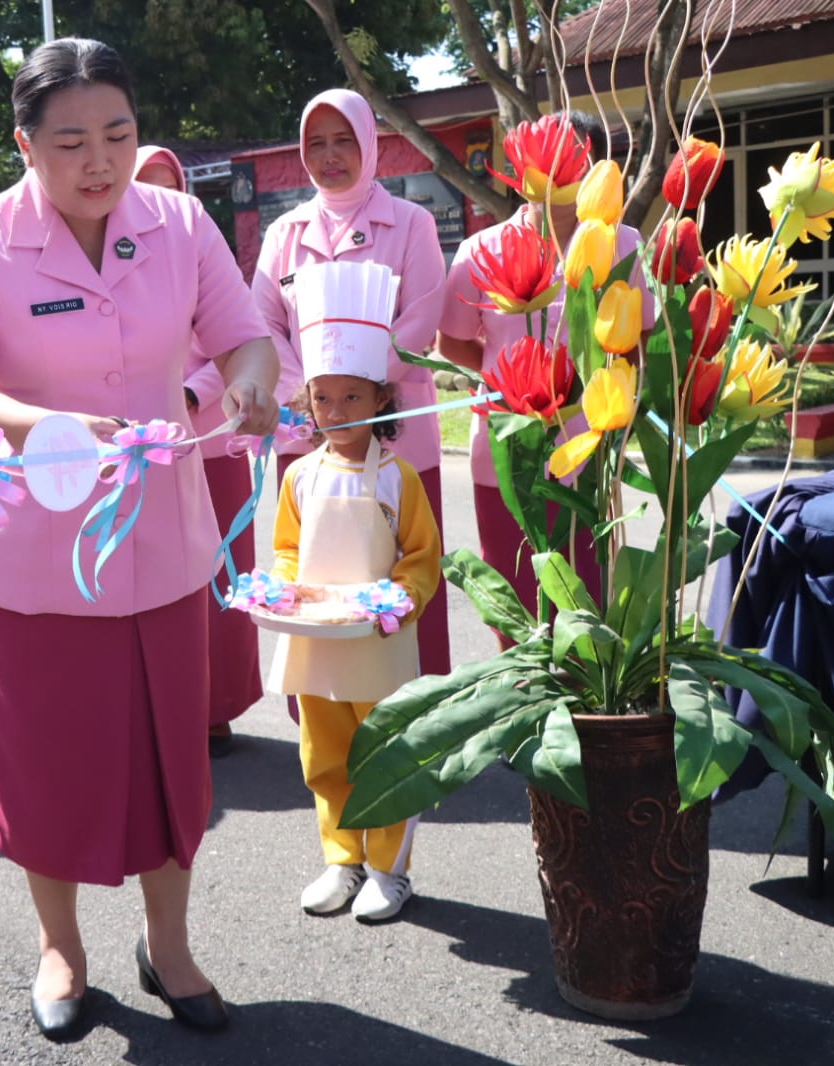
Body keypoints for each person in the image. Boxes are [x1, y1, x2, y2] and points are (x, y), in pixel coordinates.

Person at [0, 38, 279, 1040]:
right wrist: (60, 430)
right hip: (36, 555)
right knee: (46, 763)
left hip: (162, 546)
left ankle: (169, 947)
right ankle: (62, 947)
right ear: (25, 145)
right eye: (71, 141)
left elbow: (241, 331)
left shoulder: (178, 221)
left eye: (118, 134)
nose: (101, 162)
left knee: (173, 760)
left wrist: (249, 380)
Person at [253, 88, 451, 682]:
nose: (330, 155)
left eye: (344, 140)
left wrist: (353, 394)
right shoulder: (284, 232)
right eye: (316, 143)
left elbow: (422, 317)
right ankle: (324, 716)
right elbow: (262, 323)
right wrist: (312, 398)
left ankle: (415, 725)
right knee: (317, 574)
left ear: (369, 144)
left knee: (401, 576)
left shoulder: (411, 224)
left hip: (395, 440)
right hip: (307, 437)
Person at [435, 111, 651, 639]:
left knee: (588, 606)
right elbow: (453, 341)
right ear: (522, 167)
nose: (556, 169)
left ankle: (587, 716)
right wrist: (511, 382)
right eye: (543, 158)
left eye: (572, 155)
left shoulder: (622, 244)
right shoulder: (479, 251)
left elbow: (642, 338)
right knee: (520, 608)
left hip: (592, 452)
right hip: (510, 451)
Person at [267, 353, 441, 924]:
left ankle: (390, 869)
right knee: (325, 754)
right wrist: (284, 588)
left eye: (352, 398)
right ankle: (344, 858)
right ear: (307, 402)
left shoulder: (399, 477)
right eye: (322, 399)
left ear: (381, 400)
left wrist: (403, 598)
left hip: (378, 641)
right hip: (317, 639)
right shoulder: (300, 475)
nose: (335, 413)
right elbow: (288, 549)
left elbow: (421, 557)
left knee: (390, 753)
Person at [133, 145, 262, 756]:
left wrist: (190, 393)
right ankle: (163, 704)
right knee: (157, 578)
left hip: (210, 434)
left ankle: (218, 707)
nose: (161, 202)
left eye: (171, 187)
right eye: (146, 188)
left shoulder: (200, 251)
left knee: (220, 574)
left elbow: (234, 341)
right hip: (145, 447)